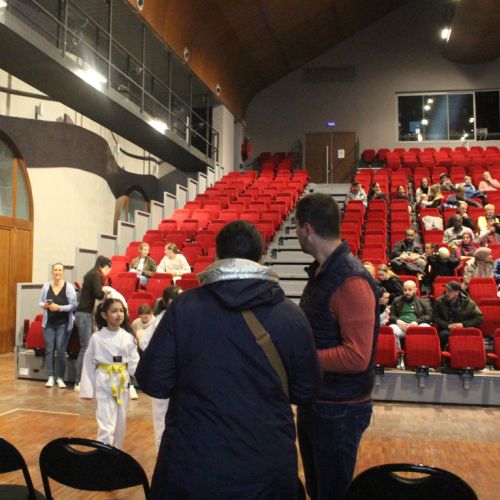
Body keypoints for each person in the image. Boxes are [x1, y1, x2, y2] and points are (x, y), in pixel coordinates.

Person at [135, 220, 321, 499]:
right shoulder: (290, 315)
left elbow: (153, 381)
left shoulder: (184, 308)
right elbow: (307, 391)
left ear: (217, 256)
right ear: (261, 258)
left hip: (192, 469)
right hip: (266, 470)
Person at [294, 193, 378, 500]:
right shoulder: (323, 272)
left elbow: (357, 356)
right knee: (319, 490)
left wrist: (301, 358)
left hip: (339, 410)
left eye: (296, 227)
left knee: (332, 494)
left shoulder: (350, 280)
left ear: (306, 229)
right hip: (319, 403)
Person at [80, 298, 140, 449]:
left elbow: (134, 363)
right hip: (104, 382)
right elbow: (88, 363)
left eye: (121, 311)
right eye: (114, 311)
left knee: (120, 424)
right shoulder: (97, 338)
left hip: (122, 382)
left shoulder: (128, 337)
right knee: (106, 426)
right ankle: (103, 456)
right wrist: (87, 389)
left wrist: (146, 380)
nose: (119, 314)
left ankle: (116, 453)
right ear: (104, 315)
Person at [139, 285, 182, 452]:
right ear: (171, 301)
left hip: (180, 376)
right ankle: (161, 453)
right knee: (161, 418)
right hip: (164, 375)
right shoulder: (160, 320)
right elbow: (144, 343)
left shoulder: (182, 318)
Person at [74, 255, 112, 392]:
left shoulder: (90, 274)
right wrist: (106, 293)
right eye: (108, 268)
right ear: (102, 266)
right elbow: (98, 294)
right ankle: (78, 381)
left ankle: (83, 380)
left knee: (86, 348)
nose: (108, 272)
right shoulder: (95, 275)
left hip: (83, 314)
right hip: (84, 315)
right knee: (85, 349)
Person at [39, 263, 78, 388]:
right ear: (52, 272)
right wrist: (45, 305)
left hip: (63, 324)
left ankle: (60, 377)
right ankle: (50, 377)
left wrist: (59, 308)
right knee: (49, 351)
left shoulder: (69, 287)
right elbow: (40, 302)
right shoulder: (46, 286)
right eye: (55, 270)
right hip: (49, 324)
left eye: (60, 270)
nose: (57, 272)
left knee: (61, 351)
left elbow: (74, 306)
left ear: (63, 272)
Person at [433, 281, 483, 350]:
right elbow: (435, 318)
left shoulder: (469, 303)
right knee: (443, 334)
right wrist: (448, 325)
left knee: (473, 333)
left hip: (463, 329)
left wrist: (463, 324)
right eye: (446, 291)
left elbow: (479, 318)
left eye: (450, 291)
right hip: (447, 329)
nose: (447, 293)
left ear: (457, 293)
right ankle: (441, 354)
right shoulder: (439, 302)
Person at [388, 281, 432, 351]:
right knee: (391, 328)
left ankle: (422, 351)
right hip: (401, 327)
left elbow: (429, 315)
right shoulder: (396, 301)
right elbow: (391, 315)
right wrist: (398, 321)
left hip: (416, 327)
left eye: (410, 290)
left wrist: (417, 322)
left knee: (427, 327)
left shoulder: (423, 301)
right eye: (405, 290)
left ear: (415, 290)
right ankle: (398, 353)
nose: (407, 292)